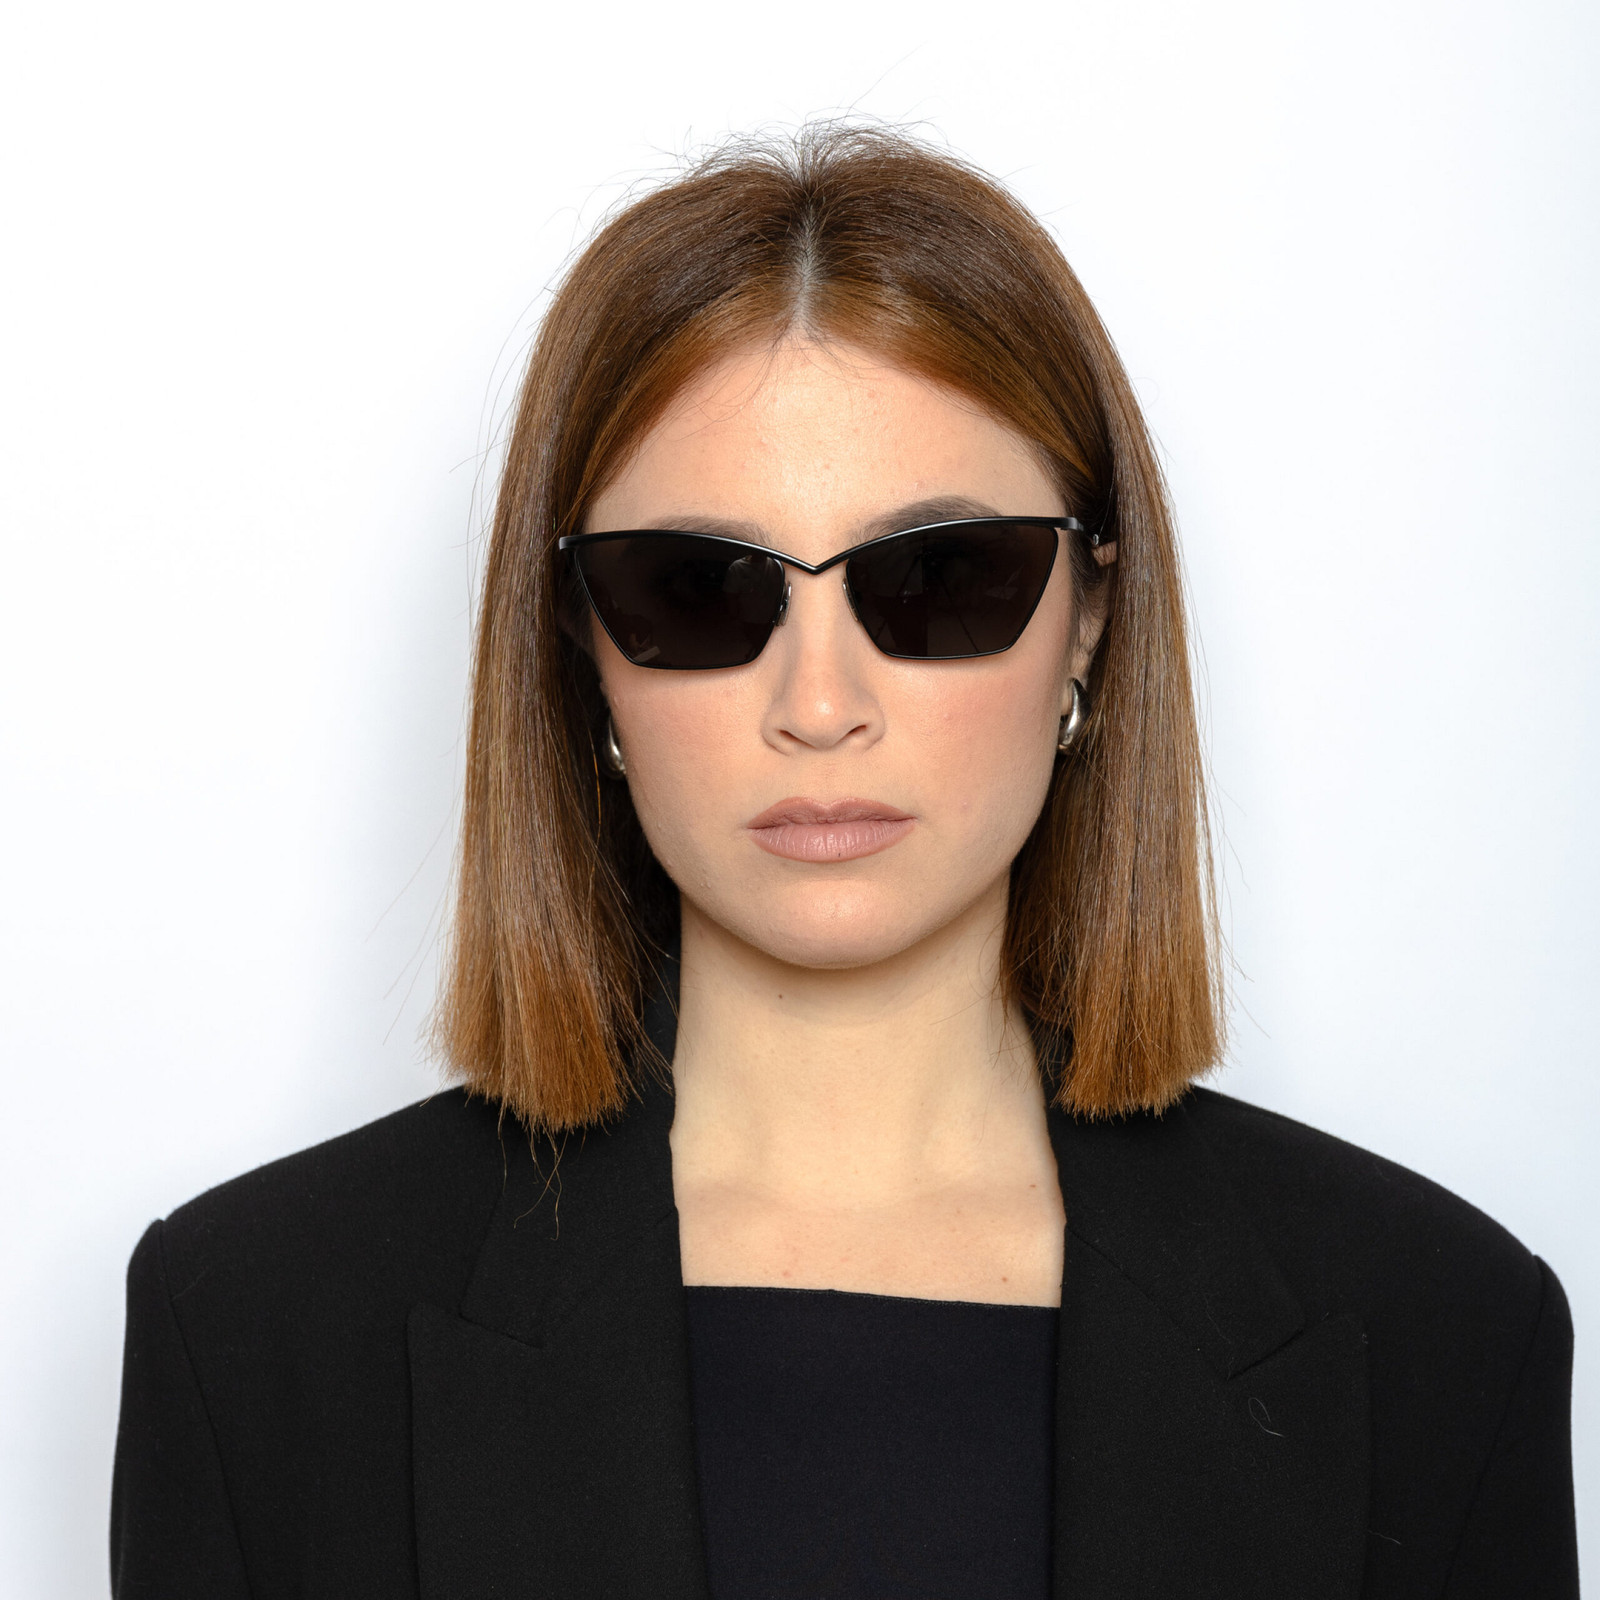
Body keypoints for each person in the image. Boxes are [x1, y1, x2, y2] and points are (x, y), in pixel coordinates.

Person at [110, 124, 1578, 1600]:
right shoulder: (252, 1333)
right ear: (582, 649)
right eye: (697, 587)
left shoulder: (1443, 1334)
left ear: (1088, 620)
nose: (819, 705)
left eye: (939, 578)